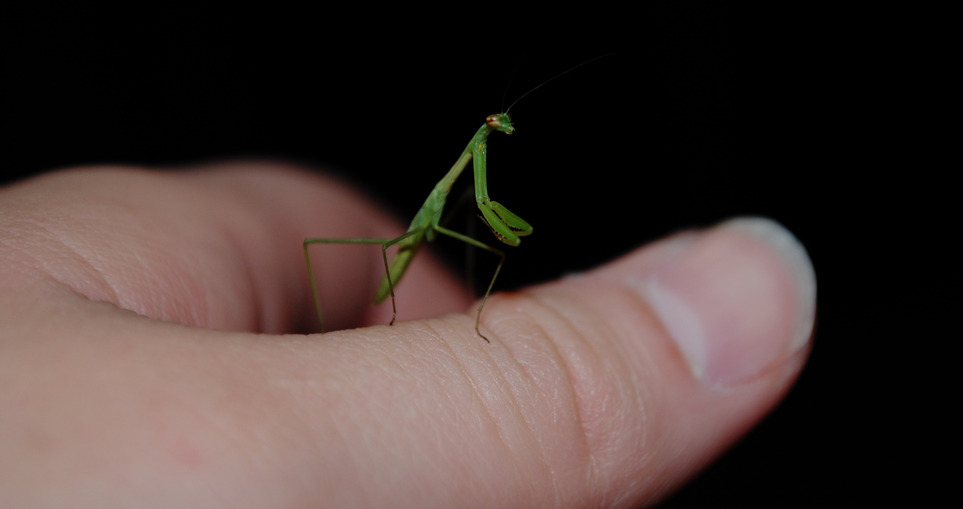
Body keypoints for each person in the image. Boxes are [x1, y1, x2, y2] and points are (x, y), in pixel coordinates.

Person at [0, 162, 815, 507]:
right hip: (390, 264)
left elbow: (480, 217)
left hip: (415, 253)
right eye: (495, 126)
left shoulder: (476, 162)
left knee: (473, 227)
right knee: (341, 247)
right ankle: (477, 310)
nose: (499, 132)